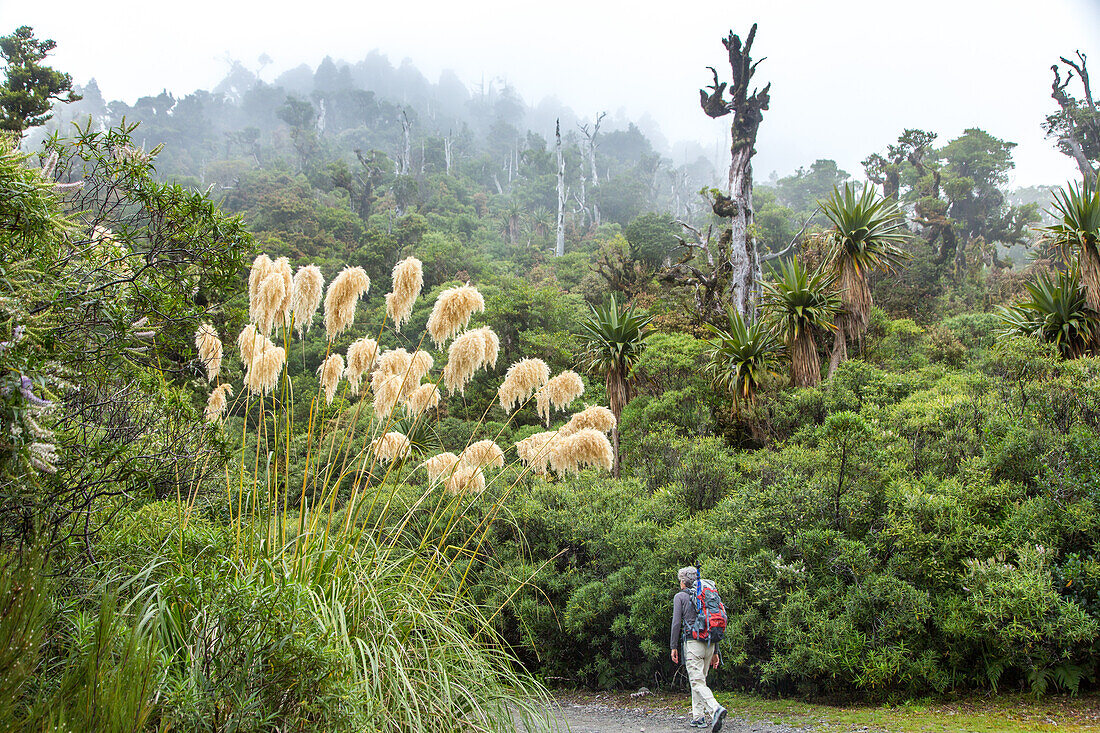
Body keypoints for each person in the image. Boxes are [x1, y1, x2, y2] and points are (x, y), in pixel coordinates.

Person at [670, 566, 728, 731]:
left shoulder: (680, 597)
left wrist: (673, 646)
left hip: (693, 644)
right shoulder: (705, 596)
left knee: (696, 681)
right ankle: (698, 717)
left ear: (683, 582)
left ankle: (715, 709)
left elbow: (676, 624)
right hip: (709, 645)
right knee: (699, 681)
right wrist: (716, 652)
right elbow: (712, 622)